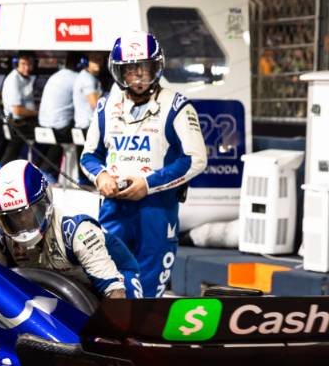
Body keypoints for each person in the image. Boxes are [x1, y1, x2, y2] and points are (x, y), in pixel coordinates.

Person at [80, 31, 208, 297]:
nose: (138, 76)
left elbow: (196, 159)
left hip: (156, 209)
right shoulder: (105, 106)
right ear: (119, 72)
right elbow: (89, 155)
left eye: (144, 68)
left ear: (156, 67)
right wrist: (101, 176)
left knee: (149, 286)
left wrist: (148, 185)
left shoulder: (177, 105)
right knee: (108, 280)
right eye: (131, 69)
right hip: (114, 207)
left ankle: (142, 334)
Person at [0, 160, 141, 299]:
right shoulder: (3, 238)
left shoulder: (76, 229)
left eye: (28, 212)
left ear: (46, 200)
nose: (22, 221)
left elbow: (113, 288)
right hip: (61, 287)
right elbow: (3, 285)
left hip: (112, 277)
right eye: (12, 217)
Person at [36, 52, 83, 175]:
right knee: (85, 133)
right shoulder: (78, 78)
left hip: (42, 124)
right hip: (58, 128)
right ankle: (82, 178)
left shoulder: (55, 75)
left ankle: (41, 169)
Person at [0, 52, 38, 168]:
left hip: (24, 120)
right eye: (23, 64)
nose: (27, 67)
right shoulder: (14, 80)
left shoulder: (24, 78)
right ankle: (3, 166)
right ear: (16, 64)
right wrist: (39, 113)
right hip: (16, 121)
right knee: (50, 131)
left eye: (30, 64)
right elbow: (18, 110)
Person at [73, 52, 103, 133]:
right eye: (94, 59)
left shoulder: (88, 76)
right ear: (86, 61)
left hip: (86, 124)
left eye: (100, 59)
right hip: (87, 126)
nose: (98, 62)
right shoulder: (87, 79)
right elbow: (96, 105)